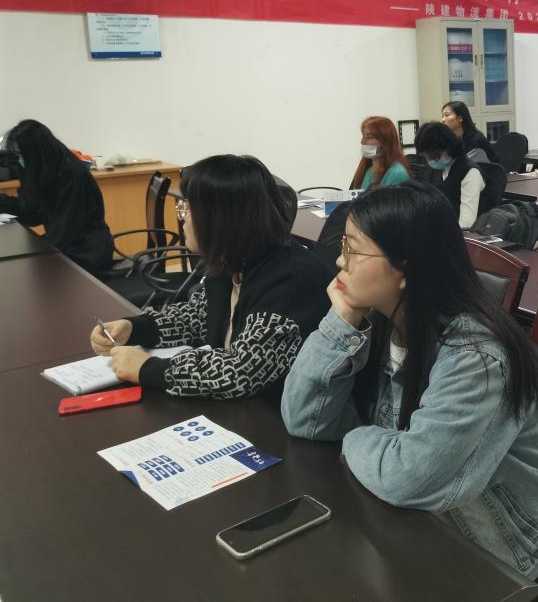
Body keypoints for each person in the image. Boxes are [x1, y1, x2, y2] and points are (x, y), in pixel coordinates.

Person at [281, 180, 538, 578]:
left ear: (406, 268)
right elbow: (303, 418)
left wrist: (353, 436)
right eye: (344, 245)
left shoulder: (476, 355)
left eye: (353, 249)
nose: (341, 261)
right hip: (436, 513)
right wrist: (342, 321)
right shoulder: (380, 316)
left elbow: (410, 478)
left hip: (520, 532)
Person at [90, 155, 334, 400]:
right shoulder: (235, 259)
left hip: (274, 414)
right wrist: (135, 328)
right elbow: (198, 317)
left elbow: (242, 372)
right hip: (241, 409)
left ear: (220, 219)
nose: (182, 217)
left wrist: (148, 369)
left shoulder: (289, 280)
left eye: (188, 208)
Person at [0, 120, 114, 275]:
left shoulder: (71, 173)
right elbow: (33, 213)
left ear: (37, 151)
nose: (20, 160)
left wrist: (38, 255)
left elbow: (66, 226)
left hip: (86, 251)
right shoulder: (46, 172)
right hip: (66, 246)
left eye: (22, 154)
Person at [414, 122, 485, 229]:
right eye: (426, 157)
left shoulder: (470, 173)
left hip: (459, 232)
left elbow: (467, 223)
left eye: (433, 156)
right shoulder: (437, 169)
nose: (430, 160)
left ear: (448, 148)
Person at [350, 116, 410, 190]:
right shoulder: (369, 171)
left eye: (369, 137)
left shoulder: (397, 173)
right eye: (363, 136)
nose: (362, 141)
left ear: (385, 142)